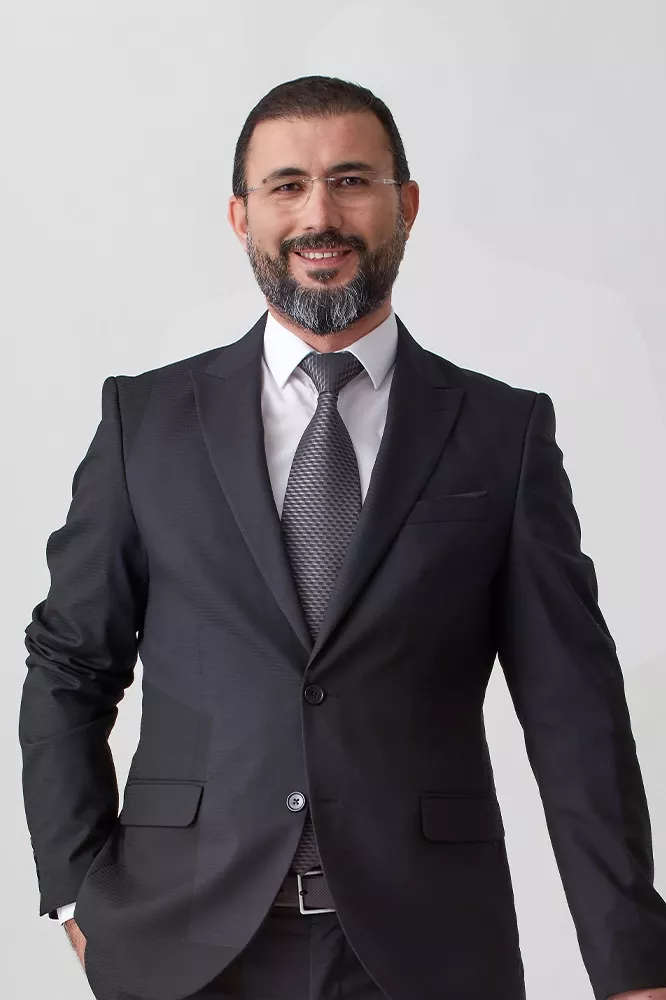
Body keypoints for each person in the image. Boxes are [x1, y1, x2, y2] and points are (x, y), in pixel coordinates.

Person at [19, 75, 666, 1000]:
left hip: (428, 950)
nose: (319, 214)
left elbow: (574, 712)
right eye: (286, 186)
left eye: (351, 181)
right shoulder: (146, 421)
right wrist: (75, 895)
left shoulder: (502, 432)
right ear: (240, 216)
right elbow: (69, 665)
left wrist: (633, 962)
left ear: (407, 205)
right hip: (181, 949)